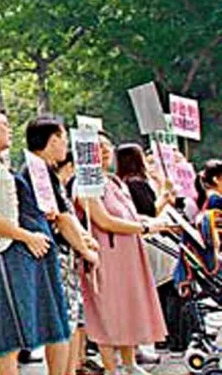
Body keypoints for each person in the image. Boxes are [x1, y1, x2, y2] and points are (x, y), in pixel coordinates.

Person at [0, 105, 70, 375]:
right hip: (0, 256)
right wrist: (27, 236)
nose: (9, 129)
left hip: (13, 255)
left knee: (21, 331)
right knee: (7, 338)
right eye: (3, 124)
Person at [18, 117, 101, 375]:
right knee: (62, 323)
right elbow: (61, 219)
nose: (66, 145)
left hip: (63, 255)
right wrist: (86, 249)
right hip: (53, 256)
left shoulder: (44, 172)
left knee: (70, 322)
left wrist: (85, 240)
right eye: (63, 138)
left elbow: (66, 216)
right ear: (52, 140)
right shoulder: (36, 172)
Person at [81, 133, 168, 375]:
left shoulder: (114, 181)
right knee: (108, 310)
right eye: (97, 147)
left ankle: (130, 363)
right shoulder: (86, 183)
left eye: (107, 145)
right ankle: (111, 367)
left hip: (129, 253)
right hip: (107, 253)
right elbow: (104, 220)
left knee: (129, 306)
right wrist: (145, 227)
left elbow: (129, 215)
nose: (104, 150)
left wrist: (155, 222)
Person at [116, 144, 183, 356]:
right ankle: (169, 336)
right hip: (150, 240)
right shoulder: (137, 183)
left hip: (144, 239)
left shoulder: (123, 184)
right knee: (166, 286)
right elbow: (149, 211)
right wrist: (164, 196)